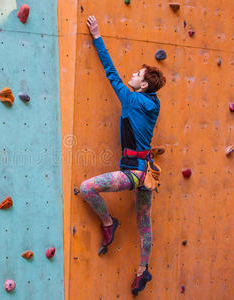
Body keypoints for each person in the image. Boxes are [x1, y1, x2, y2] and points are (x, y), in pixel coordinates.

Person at [80, 15, 166, 295]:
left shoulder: (131, 99)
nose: (133, 75)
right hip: (147, 174)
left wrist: (97, 37)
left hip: (132, 173)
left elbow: (111, 72)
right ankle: (143, 271)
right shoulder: (154, 104)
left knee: (86, 188)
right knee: (144, 225)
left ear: (142, 85)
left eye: (138, 75)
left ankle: (108, 222)